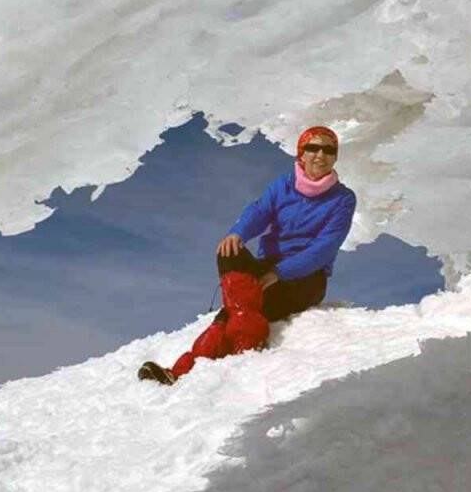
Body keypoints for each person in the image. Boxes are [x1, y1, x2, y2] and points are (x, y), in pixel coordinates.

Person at [138, 126, 357, 385]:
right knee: (229, 253)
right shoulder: (283, 186)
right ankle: (187, 370)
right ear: (301, 153)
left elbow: (324, 249)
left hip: (306, 278)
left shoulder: (343, 199)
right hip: (269, 267)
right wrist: (238, 234)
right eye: (313, 148)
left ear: (335, 157)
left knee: (234, 311)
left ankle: (214, 360)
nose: (320, 154)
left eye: (329, 149)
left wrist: (277, 274)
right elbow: (260, 211)